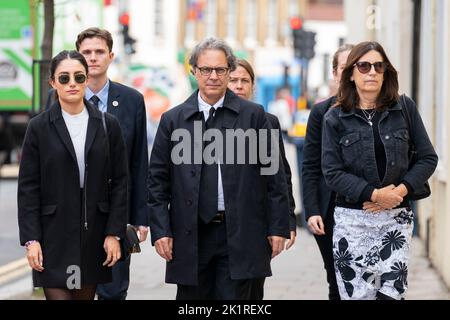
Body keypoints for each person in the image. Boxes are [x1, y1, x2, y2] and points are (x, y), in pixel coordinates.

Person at [148, 37, 290, 300]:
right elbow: (157, 182)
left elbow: (275, 177)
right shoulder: (173, 120)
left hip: (240, 232)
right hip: (190, 234)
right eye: (206, 70)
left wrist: (279, 226)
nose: (213, 76)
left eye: (220, 70)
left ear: (228, 71)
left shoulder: (255, 116)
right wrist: (161, 230)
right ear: (194, 71)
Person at [321, 41, 438, 300]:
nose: (371, 72)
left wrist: (398, 192)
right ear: (351, 73)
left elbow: (428, 158)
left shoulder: (404, 108)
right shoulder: (335, 118)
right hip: (353, 222)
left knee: (390, 295)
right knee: (358, 296)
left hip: (394, 221)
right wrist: (374, 195)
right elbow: (332, 172)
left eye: (378, 66)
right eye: (363, 66)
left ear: (386, 72)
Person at [17, 50, 128, 300]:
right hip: (53, 237)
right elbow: (28, 188)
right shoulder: (38, 127)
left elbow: (121, 182)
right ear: (53, 82)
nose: (72, 84)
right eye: (64, 78)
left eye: (79, 77)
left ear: (87, 80)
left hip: (92, 236)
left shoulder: (107, 124)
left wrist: (113, 233)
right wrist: (31, 240)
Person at [73, 27, 149, 300]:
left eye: (99, 52)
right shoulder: (62, 98)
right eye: (87, 52)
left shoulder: (132, 101)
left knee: (113, 292)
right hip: (72, 217)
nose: (93, 58)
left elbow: (140, 162)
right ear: (78, 57)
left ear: (111, 56)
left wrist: (140, 217)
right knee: (75, 289)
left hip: (115, 217)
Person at [228, 58, 297, 299]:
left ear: (253, 85)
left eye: (244, 81)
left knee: (252, 291)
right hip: (217, 225)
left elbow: (279, 175)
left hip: (255, 224)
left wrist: (286, 220)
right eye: (233, 80)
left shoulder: (267, 121)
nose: (238, 86)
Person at [302, 44, 353, 300]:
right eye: (345, 67)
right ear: (335, 73)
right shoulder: (321, 112)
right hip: (329, 210)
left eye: (357, 66)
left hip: (368, 209)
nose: (351, 73)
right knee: (336, 279)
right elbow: (310, 165)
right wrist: (311, 210)